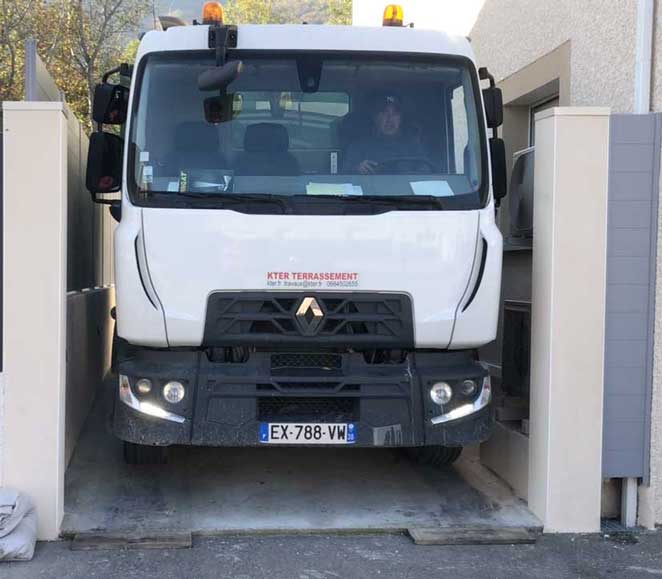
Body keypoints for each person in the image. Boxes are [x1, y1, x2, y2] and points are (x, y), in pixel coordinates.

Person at [343, 93, 427, 175]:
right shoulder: (358, 147)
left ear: (401, 118)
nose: (390, 119)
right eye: (384, 113)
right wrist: (357, 170)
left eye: (395, 113)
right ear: (375, 117)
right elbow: (344, 178)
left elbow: (426, 172)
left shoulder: (413, 146)